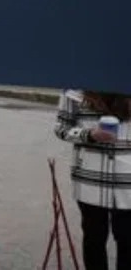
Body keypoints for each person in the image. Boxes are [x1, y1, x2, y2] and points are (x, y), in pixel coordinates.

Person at [55, 90, 131, 270]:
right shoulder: (74, 88)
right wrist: (89, 135)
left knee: (128, 238)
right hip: (90, 178)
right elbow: (61, 128)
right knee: (94, 238)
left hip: (127, 179)